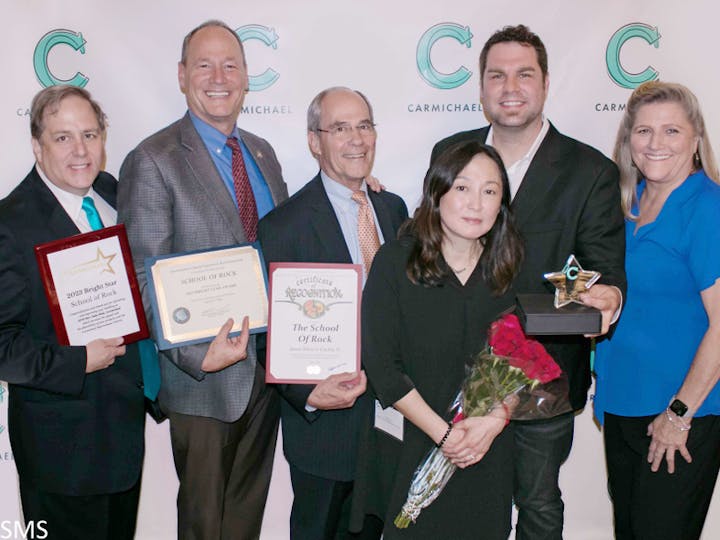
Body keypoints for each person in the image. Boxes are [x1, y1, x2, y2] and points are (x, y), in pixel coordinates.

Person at [430, 24, 626, 539]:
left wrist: (603, 296)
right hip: (453, 370)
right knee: (462, 503)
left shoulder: (590, 171)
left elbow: (603, 269)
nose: (509, 87)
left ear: (544, 84)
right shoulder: (450, 152)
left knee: (537, 505)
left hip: (544, 380)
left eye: (523, 74)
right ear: (481, 87)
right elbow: (429, 243)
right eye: (496, 75)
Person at [117, 20, 288, 540]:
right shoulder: (153, 159)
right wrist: (194, 357)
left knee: (244, 519)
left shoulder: (261, 152)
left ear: (246, 78)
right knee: (203, 524)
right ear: (181, 76)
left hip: (266, 368)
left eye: (231, 65)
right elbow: (143, 273)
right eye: (204, 65)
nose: (219, 77)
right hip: (205, 376)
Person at [352, 140, 523, 539]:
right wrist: (445, 437)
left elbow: (522, 360)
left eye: (490, 191)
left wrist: (493, 422)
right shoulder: (396, 262)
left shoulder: (511, 265)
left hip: (487, 449)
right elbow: (382, 365)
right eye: (462, 188)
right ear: (437, 193)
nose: (476, 204)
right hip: (414, 443)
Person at [258, 86, 408, 540]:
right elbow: (267, 333)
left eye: (364, 126)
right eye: (340, 128)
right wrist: (304, 392)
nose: (356, 139)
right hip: (326, 429)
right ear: (313, 141)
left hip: (391, 425)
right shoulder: (283, 226)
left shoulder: (392, 207)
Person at [0, 85, 145, 540]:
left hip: (123, 435)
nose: (80, 150)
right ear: (37, 145)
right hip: (61, 452)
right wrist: (77, 360)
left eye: (89, 134)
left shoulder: (111, 191)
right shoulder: (9, 224)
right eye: (63, 138)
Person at [594, 81, 720, 540]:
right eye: (644, 130)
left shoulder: (708, 208)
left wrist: (679, 413)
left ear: (695, 138)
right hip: (623, 402)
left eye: (671, 130)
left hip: (681, 415)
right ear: (629, 140)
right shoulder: (626, 204)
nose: (655, 143)